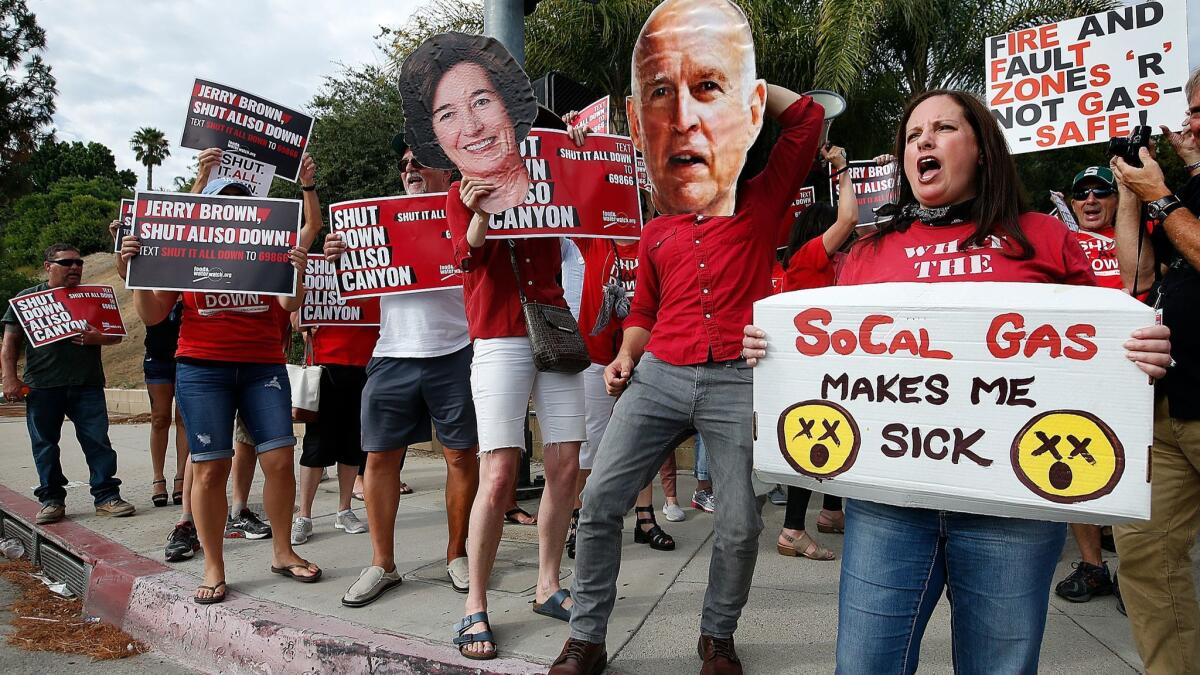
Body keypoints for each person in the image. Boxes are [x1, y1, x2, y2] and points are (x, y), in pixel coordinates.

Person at [740, 89, 1172, 673]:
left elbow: (1102, 340)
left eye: (942, 129)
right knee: (865, 664)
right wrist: (773, 350)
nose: (924, 141)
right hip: (889, 504)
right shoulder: (869, 251)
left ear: (983, 150)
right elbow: (827, 353)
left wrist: (1139, 350)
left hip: (1011, 513)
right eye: (914, 135)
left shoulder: (1043, 236)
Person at [550, 1, 824, 672]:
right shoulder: (656, 232)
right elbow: (643, 310)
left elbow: (808, 119)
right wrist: (623, 355)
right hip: (658, 375)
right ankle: (586, 638)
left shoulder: (761, 202)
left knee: (739, 523)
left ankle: (716, 636)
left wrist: (744, 76)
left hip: (736, 379)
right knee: (601, 502)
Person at [125, 168, 324, 605]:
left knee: (279, 461)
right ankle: (214, 564)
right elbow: (155, 314)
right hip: (201, 367)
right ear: (209, 211)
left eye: (240, 202)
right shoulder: (183, 248)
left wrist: (297, 273)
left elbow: (290, 305)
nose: (233, 209)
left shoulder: (271, 244)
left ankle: (282, 551)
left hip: (262, 366)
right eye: (223, 202)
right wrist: (136, 273)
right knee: (211, 467)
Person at [325, 138, 480, 608]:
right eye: (404, 164)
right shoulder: (376, 221)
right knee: (378, 460)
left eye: (420, 161)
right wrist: (340, 261)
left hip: (455, 350)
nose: (410, 168)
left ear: (446, 170)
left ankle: (457, 555)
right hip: (392, 353)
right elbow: (357, 292)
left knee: (460, 457)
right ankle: (382, 564)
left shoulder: (467, 208)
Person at [1108, 65, 1200, 674]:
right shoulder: (1187, 189)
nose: (1188, 122)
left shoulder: (1179, 196)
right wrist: (1128, 190)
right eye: (1191, 110)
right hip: (1171, 402)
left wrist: (1161, 196)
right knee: (1144, 552)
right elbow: (1135, 276)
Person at [1052, 165, 1139, 604]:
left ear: (1115, 199)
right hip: (1074, 371)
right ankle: (1093, 566)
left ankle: (1133, 575)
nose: (1089, 200)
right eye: (1080, 193)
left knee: (1131, 476)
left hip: (1130, 372)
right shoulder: (1057, 241)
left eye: (1100, 193)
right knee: (1076, 469)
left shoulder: (1138, 234)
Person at [2, 244, 136, 525]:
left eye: (78, 263)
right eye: (66, 263)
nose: (74, 267)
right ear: (48, 266)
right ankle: (52, 500)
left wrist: (97, 338)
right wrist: (10, 378)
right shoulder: (26, 299)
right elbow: (10, 342)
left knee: (98, 442)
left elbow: (115, 336)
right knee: (45, 444)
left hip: (87, 384)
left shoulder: (93, 297)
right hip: (42, 385)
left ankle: (106, 496)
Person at [772, 144, 857, 562]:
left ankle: (831, 512)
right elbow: (850, 218)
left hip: (822, 365)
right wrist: (843, 168)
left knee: (830, 435)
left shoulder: (820, 263)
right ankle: (791, 530)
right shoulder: (809, 257)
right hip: (810, 368)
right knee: (813, 441)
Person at [399, 31, 538, 213]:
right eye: (447, 115)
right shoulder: (455, 212)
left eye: (481, 102)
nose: (472, 128)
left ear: (510, 106)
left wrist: (582, 142)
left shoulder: (560, 178)